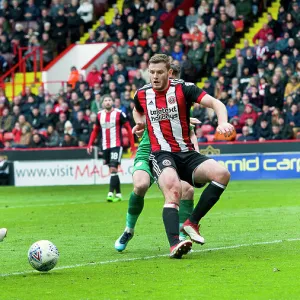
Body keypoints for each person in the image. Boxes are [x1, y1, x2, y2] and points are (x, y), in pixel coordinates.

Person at [133, 54, 233, 258]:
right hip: (161, 153)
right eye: (151, 72)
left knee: (222, 174)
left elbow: (216, 103)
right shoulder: (142, 93)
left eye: (159, 72)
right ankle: (174, 244)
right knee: (174, 188)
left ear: (169, 72)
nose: (155, 76)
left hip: (187, 152)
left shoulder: (184, 88)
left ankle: (192, 222)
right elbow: (137, 110)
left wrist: (222, 122)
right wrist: (141, 124)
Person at [114, 64, 200, 252]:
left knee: (188, 190)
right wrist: (140, 123)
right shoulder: (149, 96)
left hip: (173, 154)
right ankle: (129, 229)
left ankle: (181, 235)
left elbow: (190, 133)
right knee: (140, 185)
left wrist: (196, 153)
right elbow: (138, 111)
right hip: (148, 151)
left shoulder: (182, 102)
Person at [87, 95, 135, 202]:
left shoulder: (119, 114)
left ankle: (110, 193)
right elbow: (95, 131)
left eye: (109, 100)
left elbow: (128, 129)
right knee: (112, 171)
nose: (107, 102)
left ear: (112, 102)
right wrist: (89, 144)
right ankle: (118, 194)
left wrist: (132, 146)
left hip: (116, 145)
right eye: (105, 100)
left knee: (113, 168)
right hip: (105, 146)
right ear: (103, 103)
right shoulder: (99, 115)